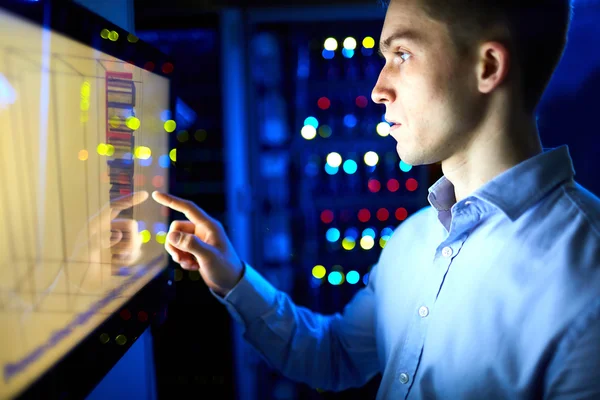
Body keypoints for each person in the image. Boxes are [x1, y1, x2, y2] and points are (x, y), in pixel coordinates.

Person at [152, 0, 600, 398]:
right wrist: (232, 276)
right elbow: (335, 357)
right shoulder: (415, 238)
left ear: (486, 67)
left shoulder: (586, 274)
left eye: (402, 54)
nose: (378, 88)